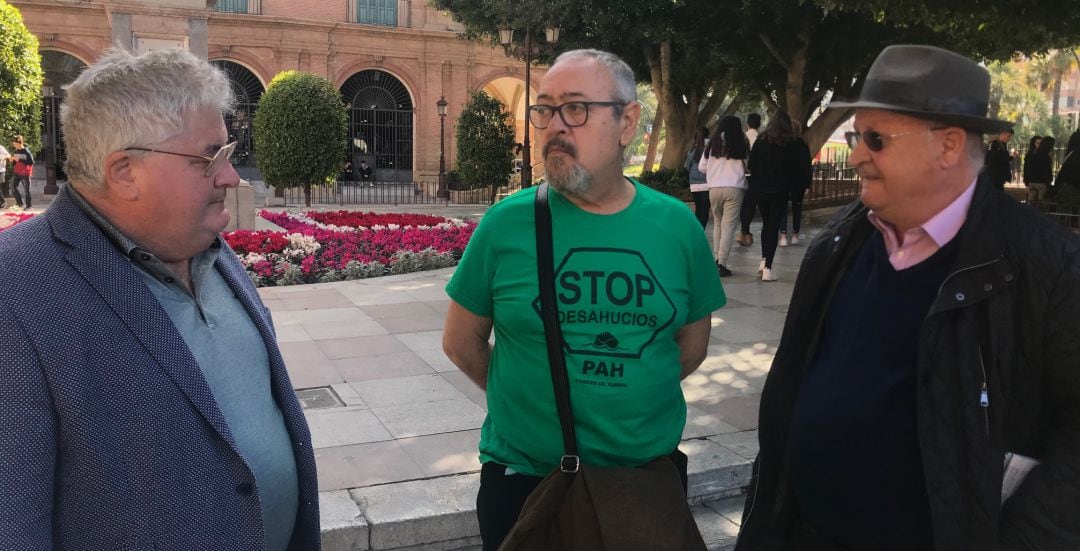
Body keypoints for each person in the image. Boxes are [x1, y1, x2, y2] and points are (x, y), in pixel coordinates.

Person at [736, 44, 1080, 551]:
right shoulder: (841, 240)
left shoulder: (1049, 268)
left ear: (948, 146)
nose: (856, 156)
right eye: (856, 136)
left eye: (875, 139)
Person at [0, 48, 320, 550]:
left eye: (228, 154)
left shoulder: (205, 249)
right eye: (209, 158)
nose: (232, 177)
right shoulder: (14, 291)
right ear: (124, 171)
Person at [442, 48, 725, 551]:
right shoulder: (505, 225)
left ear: (627, 121)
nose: (554, 126)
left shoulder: (677, 227)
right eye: (543, 110)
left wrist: (622, 396)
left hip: (643, 487)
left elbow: (692, 344)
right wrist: (530, 398)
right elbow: (462, 342)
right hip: (525, 485)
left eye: (575, 108)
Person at [746, 110, 802, 282]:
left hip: (761, 190)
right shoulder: (791, 143)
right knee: (773, 226)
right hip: (780, 191)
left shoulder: (761, 141)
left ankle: (764, 261)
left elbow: (751, 164)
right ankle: (768, 267)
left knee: (766, 225)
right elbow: (795, 170)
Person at [699, 115, 750, 277]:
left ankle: (716, 259)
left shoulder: (712, 143)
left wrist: (716, 170)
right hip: (735, 188)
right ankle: (722, 262)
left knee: (718, 224)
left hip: (714, 188)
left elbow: (702, 167)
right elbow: (748, 166)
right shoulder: (741, 143)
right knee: (729, 226)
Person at [777, 120, 813, 247]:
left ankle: (782, 235)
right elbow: (807, 165)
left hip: (783, 180)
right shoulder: (803, 145)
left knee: (782, 207)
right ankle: (795, 235)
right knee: (797, 207)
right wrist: (807, 182)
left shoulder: (782, 144)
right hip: (799, 181)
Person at [737, 112, 762, 246]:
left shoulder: (742, 138)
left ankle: (743, 231)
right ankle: (745, 231)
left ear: (747, 124)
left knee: (743, 204)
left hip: (741, 174)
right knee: (750, 205)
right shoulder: (761, 138)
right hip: (755, 175)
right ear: (760, 124)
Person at [685, 126, 711, 228]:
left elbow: (687, 167)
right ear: (707, 136)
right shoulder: (710, 149)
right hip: (706, 183)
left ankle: (697, 230)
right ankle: (700, 231)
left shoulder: (692, 150)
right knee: (704, 210)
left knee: (699, 208)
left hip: (694, 184)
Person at [1023, 135, 1053, 204]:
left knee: (1031, 201)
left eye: (1041, 143)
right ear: (1033, 144)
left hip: (1032, 182)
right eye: (1037, 143)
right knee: (1040, 201)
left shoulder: (1030, 155)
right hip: (1040, 182)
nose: (1039, 145)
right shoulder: (1043, 155)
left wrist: (1027, 181)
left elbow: (1027, 169)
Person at [984, 126, 1014, 191]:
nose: (1009, 139)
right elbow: (992, 161)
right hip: (993, 177)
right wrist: (1008, 159)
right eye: (1008, 136)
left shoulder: (1003, 145)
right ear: (1002, 134)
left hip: (1000, 178)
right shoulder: (993, 144)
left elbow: (1002, 158)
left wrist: (1011, 157)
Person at [10, 135, 34, 208]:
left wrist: (20, 160)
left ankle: (29, 206)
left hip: (25, 173)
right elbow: (15, 163)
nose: (15, 146)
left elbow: (31, 162)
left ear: (20, 143)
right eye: (14, 144)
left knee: (27, 190)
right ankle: (19, 203)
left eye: (15, 144)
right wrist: (12, 161)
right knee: (13, 187)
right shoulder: (16, 151)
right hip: (17, 172)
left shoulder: (27, 152)